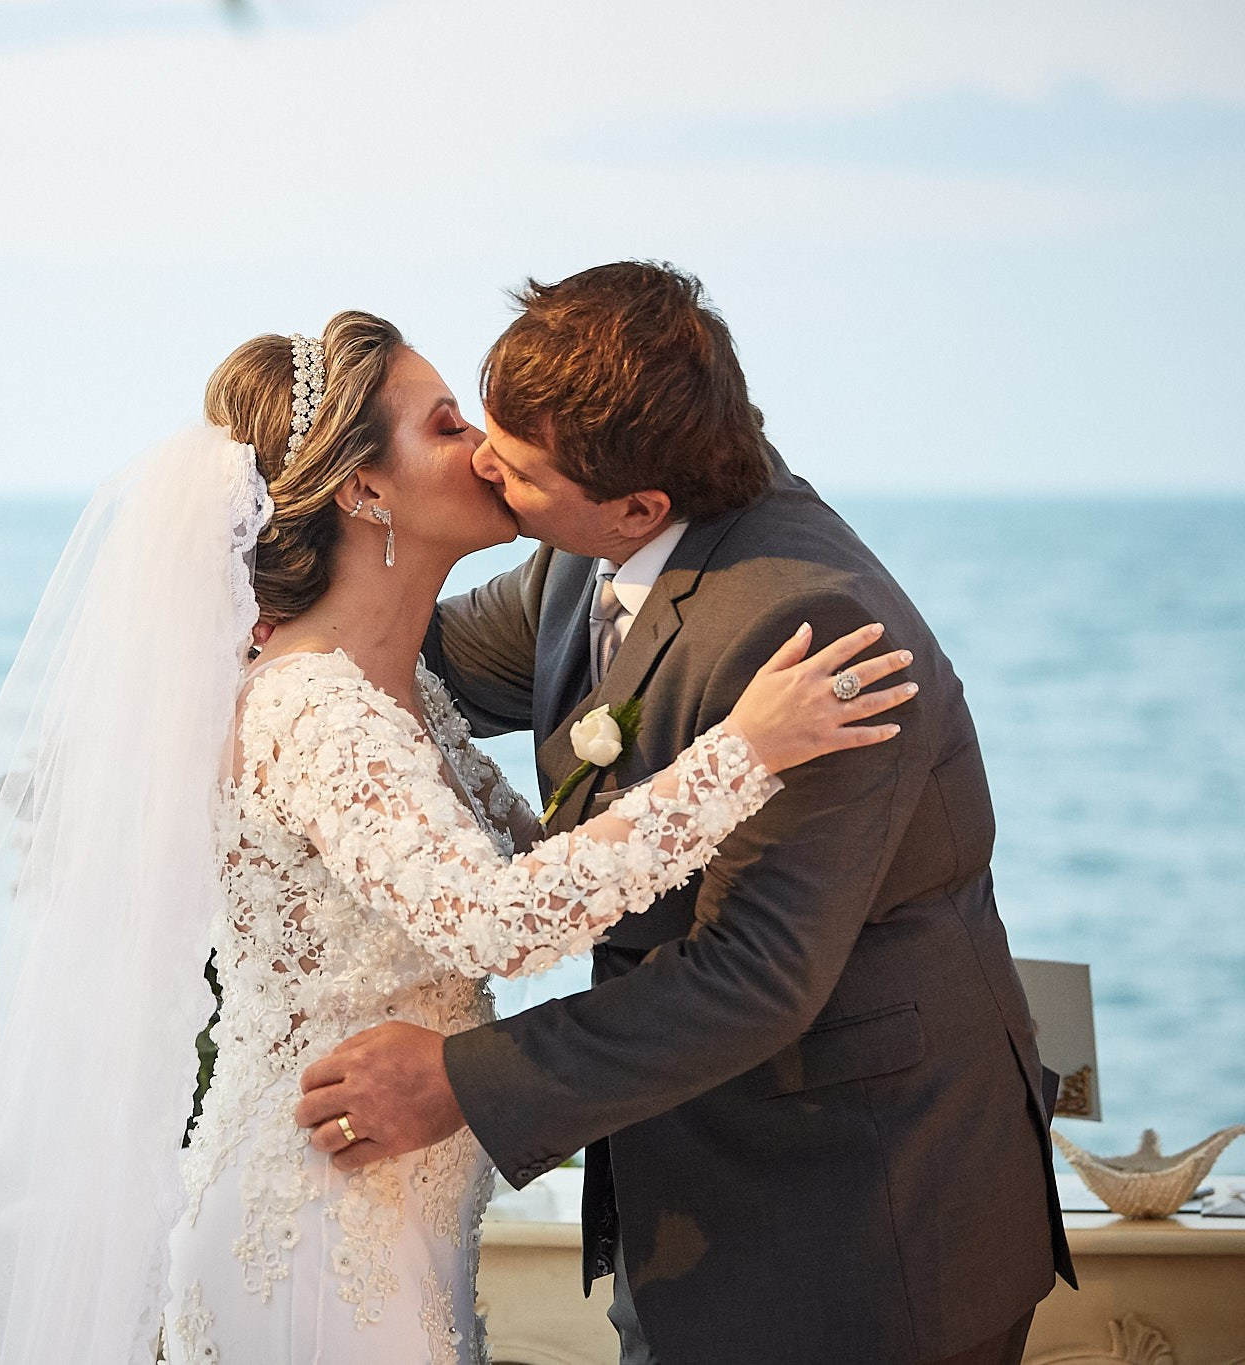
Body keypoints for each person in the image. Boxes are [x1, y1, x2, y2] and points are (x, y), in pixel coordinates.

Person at [0, 309, 910, 1365]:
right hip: (314, 1224)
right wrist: (743, 752)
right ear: (364, 488)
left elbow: (531, 870)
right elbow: (499, 921)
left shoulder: (395, 687)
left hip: (391, 1212)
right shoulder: (312, 710)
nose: (482, 448)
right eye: (445, 423)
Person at [294, 264, 1074, 1365]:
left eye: (511, 468)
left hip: (857, 1218)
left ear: (638, 506)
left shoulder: (812, 629)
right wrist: (255, 621)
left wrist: (457, 1083)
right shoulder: (585, 551)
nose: (478, 463)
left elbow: (755, 971)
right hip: (690, 1174)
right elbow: (417, 665)